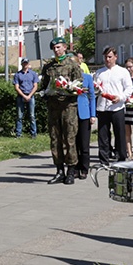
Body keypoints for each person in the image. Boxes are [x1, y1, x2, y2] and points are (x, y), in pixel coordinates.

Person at [39, 37, 83, 184]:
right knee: (55, 139)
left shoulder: (72, 65)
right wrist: (44, 93)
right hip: (53, 107)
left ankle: (71, 170)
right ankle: (59, 170)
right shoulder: (48, 67)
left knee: (69, 138)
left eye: (58, 47)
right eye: (54, 48)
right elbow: (44, 86)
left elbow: (79, 84)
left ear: (64, 47)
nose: (56, 50)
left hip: (68, 107)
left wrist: (69, 89)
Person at [93, 46, 132, 164]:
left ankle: (121, 157)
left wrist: (120, 98)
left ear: (116, 57)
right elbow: (95, 89)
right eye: (105, 57)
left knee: (119, 133)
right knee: (103, 135)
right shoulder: (99, 73)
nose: (107, 59)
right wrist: (96, 90)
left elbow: (129, 88)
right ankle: (104, 159)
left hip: (117, 107)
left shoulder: (122, 72)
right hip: (102, 107)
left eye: (110, 57)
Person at [75, 69, 96, 179]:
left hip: (84, 113)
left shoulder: (87, 77)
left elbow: (92, 96)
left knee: (84, 143)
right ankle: (75, 167)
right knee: (73, 143)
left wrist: (93, 114)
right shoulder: (68, 77)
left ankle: (84, 168)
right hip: (72, 114)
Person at [12, 58, 39, 138]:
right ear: (21, 64)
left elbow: (35, 86)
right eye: (24, 63)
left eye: (26, 63)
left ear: (28, 64)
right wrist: (24, 96)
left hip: (31, 96)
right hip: (21, 96)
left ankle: (33, 133)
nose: (25, 65)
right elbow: (17, 87)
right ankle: (18, 134)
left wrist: (29, 96)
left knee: (32, 116)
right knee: (19, 116)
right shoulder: (17, 75)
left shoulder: (33, 74)